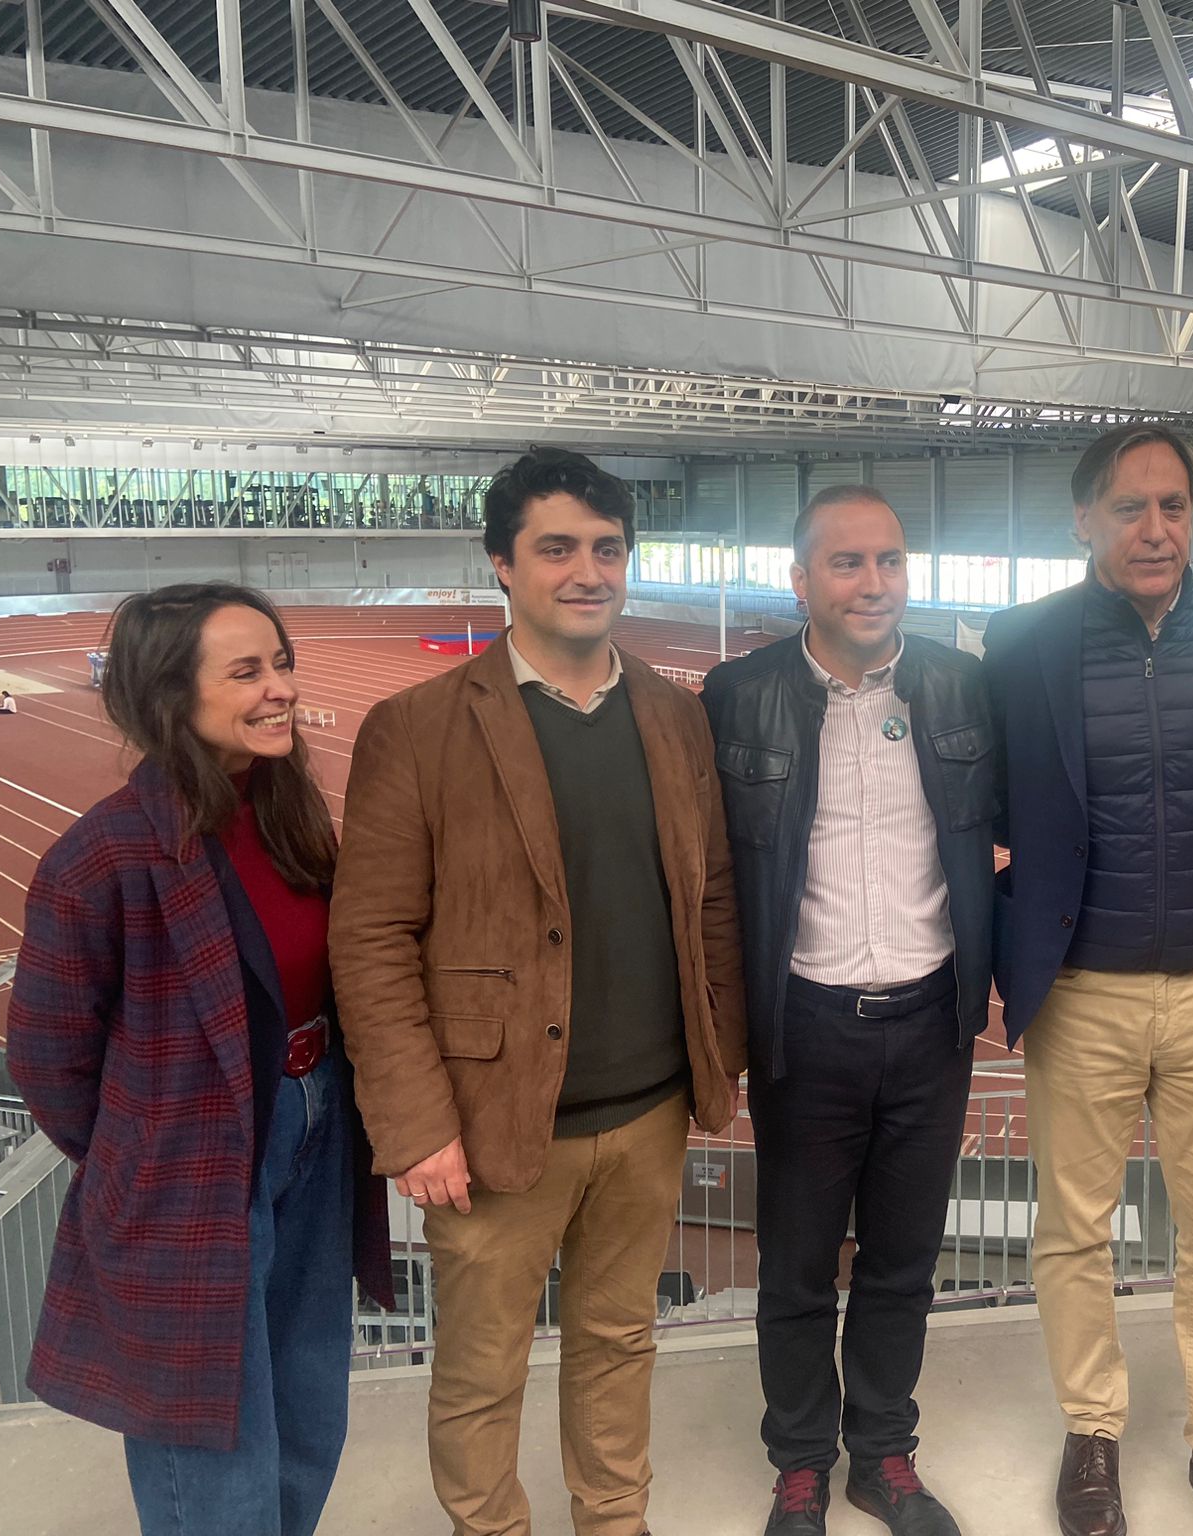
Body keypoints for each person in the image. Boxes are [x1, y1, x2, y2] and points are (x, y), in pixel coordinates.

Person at [329, 447, 747, 1536]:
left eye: (606, 548)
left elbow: (707, 907)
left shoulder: (672, 714)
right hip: (490, 1125)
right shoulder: (416, 729)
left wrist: (718, 1060)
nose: (586, 570)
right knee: (480, 1372)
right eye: (555, 547)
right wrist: (418, 1126)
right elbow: (372, 940)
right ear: (500, 566)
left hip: (647, 1114)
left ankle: (615, 1519)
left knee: (619, 1343)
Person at [6, 582, 394, 1536]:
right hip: (188, 1166)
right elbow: (48, 1060)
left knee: (307, 1408)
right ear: (171, 695)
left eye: (283, 663)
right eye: (248, 671)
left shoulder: (292, 816)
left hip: (315, 1130)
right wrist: (150, 1148)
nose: (281, 689)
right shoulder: (101, 857)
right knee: (212, 1443)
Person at [984, 423, 1193, 1536]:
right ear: (1081, 520)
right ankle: (1094, 1432)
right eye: (1127, 507)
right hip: (1083, 993)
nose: (1153, 528)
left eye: (1171, 506)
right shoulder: (1018, 645)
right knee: (1073, 1230)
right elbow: (988, 809)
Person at [701, 485, 995, 1536]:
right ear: (800, 581)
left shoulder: (962, 689)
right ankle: (798, 1464)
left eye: (889, 561)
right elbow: (708, 876)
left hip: (930, 1018)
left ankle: (882, 1453)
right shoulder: (737, 698)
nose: (872, 583)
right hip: (806, 1026)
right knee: (794, 1264)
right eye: (845, 563)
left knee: (901, 1261)